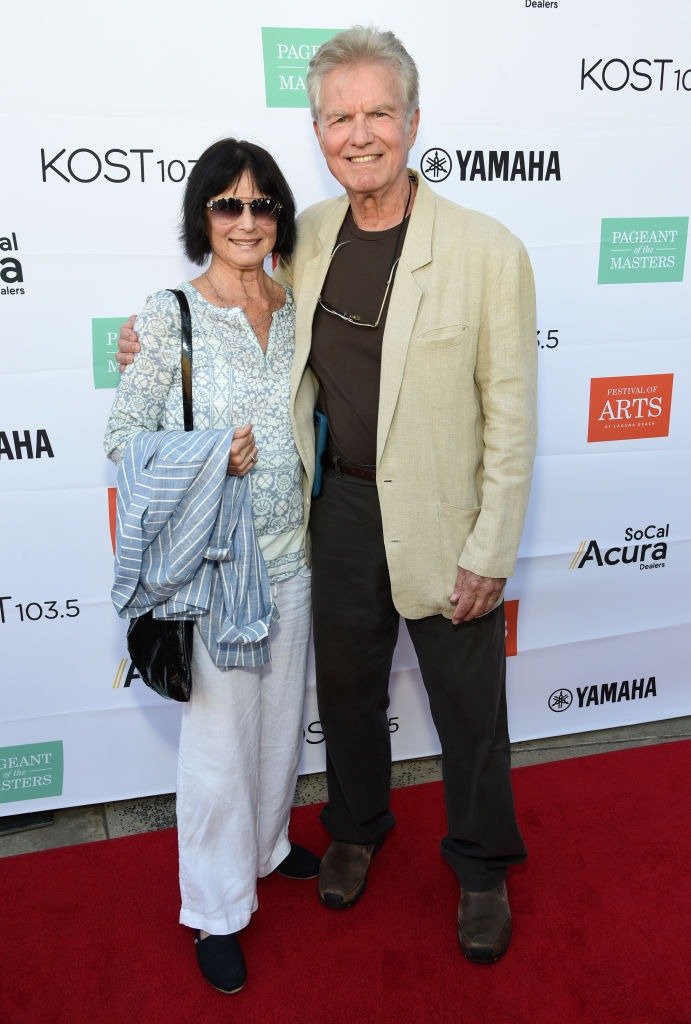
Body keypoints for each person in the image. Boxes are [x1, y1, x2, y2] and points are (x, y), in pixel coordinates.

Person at [117, 26, 537, 964]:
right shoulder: (301, 237)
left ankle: (478, 867)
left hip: (444, 513)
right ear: (317, 131)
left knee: (468, 704)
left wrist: (490, 546)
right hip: (335, 510)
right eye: (339, 117)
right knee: (345, 693)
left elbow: (512, 419)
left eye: (377, 112)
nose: (359, 134)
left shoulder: (485, 250)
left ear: (413, 120)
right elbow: (226, 299)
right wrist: (146, 347)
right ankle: (353, 829)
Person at [104, 137, 318, 995]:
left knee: (276, 726)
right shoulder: (168, 315)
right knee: (218, 750)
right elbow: (121, 441)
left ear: (278, 217)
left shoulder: (296, 306)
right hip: (217, 568)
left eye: (261, 203)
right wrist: (204, 457)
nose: (246, 220)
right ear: (203, 215)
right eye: (227, 204)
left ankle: (265, 846)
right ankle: (216, 909)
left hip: (292, 557)